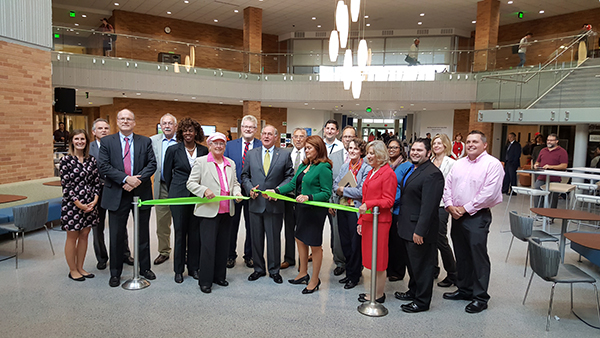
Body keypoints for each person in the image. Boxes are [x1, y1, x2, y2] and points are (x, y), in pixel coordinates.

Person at [443, 130, 504, 314]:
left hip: (477, 216)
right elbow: (448, 185)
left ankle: (480, 297)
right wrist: (449, 205)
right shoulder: (459, 164)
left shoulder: (492, 165)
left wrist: (466, 208)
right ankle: (464, 289)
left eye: (475, 142)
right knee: (461, 254)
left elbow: (489, 193)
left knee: (478, 256)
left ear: (484, 145)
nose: (470, 144)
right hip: (457, 215)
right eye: (468, 141)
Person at [97, 109, 157, 287]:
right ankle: (115, 272)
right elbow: (103, 166)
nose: (125, 121)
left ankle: (144, 268)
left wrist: (136, 180)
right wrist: (125, 179)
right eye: (122, 119)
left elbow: (152, 164)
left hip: (141, 192)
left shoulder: (145, 141)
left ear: (134, 122)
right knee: (116, 235)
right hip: (117, 192)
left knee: (143, 233)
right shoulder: (107, 141)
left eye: (129, 119)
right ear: (117, 121)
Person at [276, 135, 333, 294]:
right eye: (305, 148)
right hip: (300, 208)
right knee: (299, 239)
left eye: (309, 148)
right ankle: (302, 273)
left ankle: (315, 279)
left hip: (314, 211)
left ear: (318, 148)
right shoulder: (304, 165)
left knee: (314, 245)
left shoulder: (324, 167)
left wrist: (309, 197)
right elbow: (293, 184)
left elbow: (326, 193)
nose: (306, 150)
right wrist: (276, 191)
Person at [187, 132, 242, 293]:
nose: (219, 146)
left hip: (226, 211)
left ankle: (219, 276)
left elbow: (235, 183)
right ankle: (205, 281)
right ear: (209, 145)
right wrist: (204, 190)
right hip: (208, 212)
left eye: (222, 144)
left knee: (222, 246)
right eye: (215, 143)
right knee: (208, 247)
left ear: (225, 146)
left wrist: (237, 193)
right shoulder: (201, 162)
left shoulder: (230, 163)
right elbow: (190, 183)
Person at [395, 138, 444, 313]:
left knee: (423, 266)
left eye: (420, 150)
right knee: (413, 264)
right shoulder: (414, 169)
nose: (415, 152)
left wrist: (420, 231)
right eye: (413, 149)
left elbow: (429, 207)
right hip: (408, 225)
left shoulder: (432, 174)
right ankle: (413, 291)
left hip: (419, 229)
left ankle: (422, 301)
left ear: (428, 153)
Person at [241, 125, 294, 284]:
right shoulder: (251, 154)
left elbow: (289, 176)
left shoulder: (284, 154)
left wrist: (277, 191)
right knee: (256, 238)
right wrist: (250, 188)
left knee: (273, 239)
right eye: (264, 133)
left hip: (274, 204)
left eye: (270, 134)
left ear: (276, 137)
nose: (266, 136)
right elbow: (245, 175)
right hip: (255, 203)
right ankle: (258, 269)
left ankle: (274, 270)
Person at [163, 117, 208, 283]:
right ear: (181, 133)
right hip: (179, 194)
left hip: (197, 196)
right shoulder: (173, 150)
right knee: (180, 232)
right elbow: (167, 174)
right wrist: (174, 190)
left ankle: (194, 268)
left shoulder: (204, 151)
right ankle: (178, 270)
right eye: (185, 130)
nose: (188, 133)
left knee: (195, 233)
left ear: (196, 132)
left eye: (191, 130)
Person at [89, 118, 133, 270]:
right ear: (94, 132)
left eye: (106, 128)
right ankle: (102, 257)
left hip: (116, 188)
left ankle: (125, 254)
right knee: (98, 226)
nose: (104, 131)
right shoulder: (89, 148)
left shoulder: (117, 145)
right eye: (100, 128)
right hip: (97, 191)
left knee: (120, 224)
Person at [357, 140, 396, 304]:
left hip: (380, 222)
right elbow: (365, 197)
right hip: (368, 220)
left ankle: (379, 294)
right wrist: (360, 220)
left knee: (378, 259)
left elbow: (388, 201)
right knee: (370, 258)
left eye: (372, 153)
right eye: (368, 153)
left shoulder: (388, 174)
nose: (369, 156)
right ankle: (373, 290)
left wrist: (370, 205)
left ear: (381, 155)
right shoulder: (373, 171)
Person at [60, 129, 100, 281]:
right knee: (72, 237)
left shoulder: (91, 160)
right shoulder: (65, 161)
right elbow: (66, 186)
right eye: (76, 139)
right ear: (71, 141)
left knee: (84, 235)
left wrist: (95, 200)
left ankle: (81, 267)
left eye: (82, 139)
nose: (80, 142)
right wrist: (79, 204)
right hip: (73, 205)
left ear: (87, 141)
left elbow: (96, 182)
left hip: (90, 203)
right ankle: (73, 269)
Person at [223, 115, 261, 269]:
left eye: (251, 127)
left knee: (252, 226)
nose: (248, 129)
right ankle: (230, 255)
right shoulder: (230, 146)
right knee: (231, 225)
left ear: (256, 129)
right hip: (234, 192)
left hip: (254, 192)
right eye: (245, 126)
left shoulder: (261, 145)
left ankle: (250, 255)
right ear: (241, 128)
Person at [332, 138, 370, 290]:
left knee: (355, 245)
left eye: (355, 148)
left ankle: (354, 276)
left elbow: (361, 191)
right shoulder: (344, 166)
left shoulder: (366, 169)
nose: (352, 151)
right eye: (350, 148)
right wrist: (340, 189)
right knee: (345, 243)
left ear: (361, 151)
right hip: (343, 208)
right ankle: (349, 272)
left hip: (356, 211)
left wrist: (343, 190)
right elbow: (335, 184)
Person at [328, 125, 357, 276]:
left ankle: (354, 264)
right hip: (337, 202)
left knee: (354, 235)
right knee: (338, 234)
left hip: (355, 204)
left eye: (351, 137)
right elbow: (330, 181)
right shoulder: (333, 157)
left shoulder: (363, 158)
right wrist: (331, 202)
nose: (348, 140)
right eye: (346, 137)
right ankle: (340, 262)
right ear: (342, 138)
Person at [150, 114, 178, 266]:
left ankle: (184, 251)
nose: (167, 126)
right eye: (164, 123)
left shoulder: (182, 141)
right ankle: (164, 251)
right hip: (161, 187)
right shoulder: (152, 141)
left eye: (170, 123)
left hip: (180, 188)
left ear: (175, 126)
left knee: (182, 221)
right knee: (162, 222)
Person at [430, 134, 457, 288]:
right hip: (429, 204)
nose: (436, 146)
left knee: (440, 239)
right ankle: (433, 269)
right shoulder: (430, 162)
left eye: (439, 143)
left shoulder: (452, 163)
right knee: (429, 237)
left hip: (442, 204)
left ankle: (453, 273)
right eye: (434, 143)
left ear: (446, 145)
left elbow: (451, 186)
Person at [282, 128, 307, 269]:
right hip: (288, 197)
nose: (298, 139)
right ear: (292, 139)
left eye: (301, 136)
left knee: (303, 229)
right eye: (296, 136)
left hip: (304, 198)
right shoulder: (285, 153)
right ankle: (289, 258)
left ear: (306, 138)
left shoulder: (310, 154)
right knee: (289, 228)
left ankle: (302, 261)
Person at [388, 138, 410, 282]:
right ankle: (389, 268)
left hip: (397, 208)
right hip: (385, 209)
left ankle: (398, 271)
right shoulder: (386, 164)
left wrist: (391, 201)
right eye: (389, 147)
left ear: (401, 149)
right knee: (388, 241)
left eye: (395, 147)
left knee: (397, 243)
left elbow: (405, 188)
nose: (391, 150)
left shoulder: (406, 166)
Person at [533, 133, 568, 209]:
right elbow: (538, 161)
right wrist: (536, 165)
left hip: (554, 179)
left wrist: (550, 166)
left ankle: (550, 217)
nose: (549, 142)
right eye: (548, 140)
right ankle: (539, 214)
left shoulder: (562, 152)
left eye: (551, 140)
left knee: (552, 199)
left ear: (557, 141)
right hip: (541, 177)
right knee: (537, 194)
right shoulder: (543, 150)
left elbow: (564, 165)